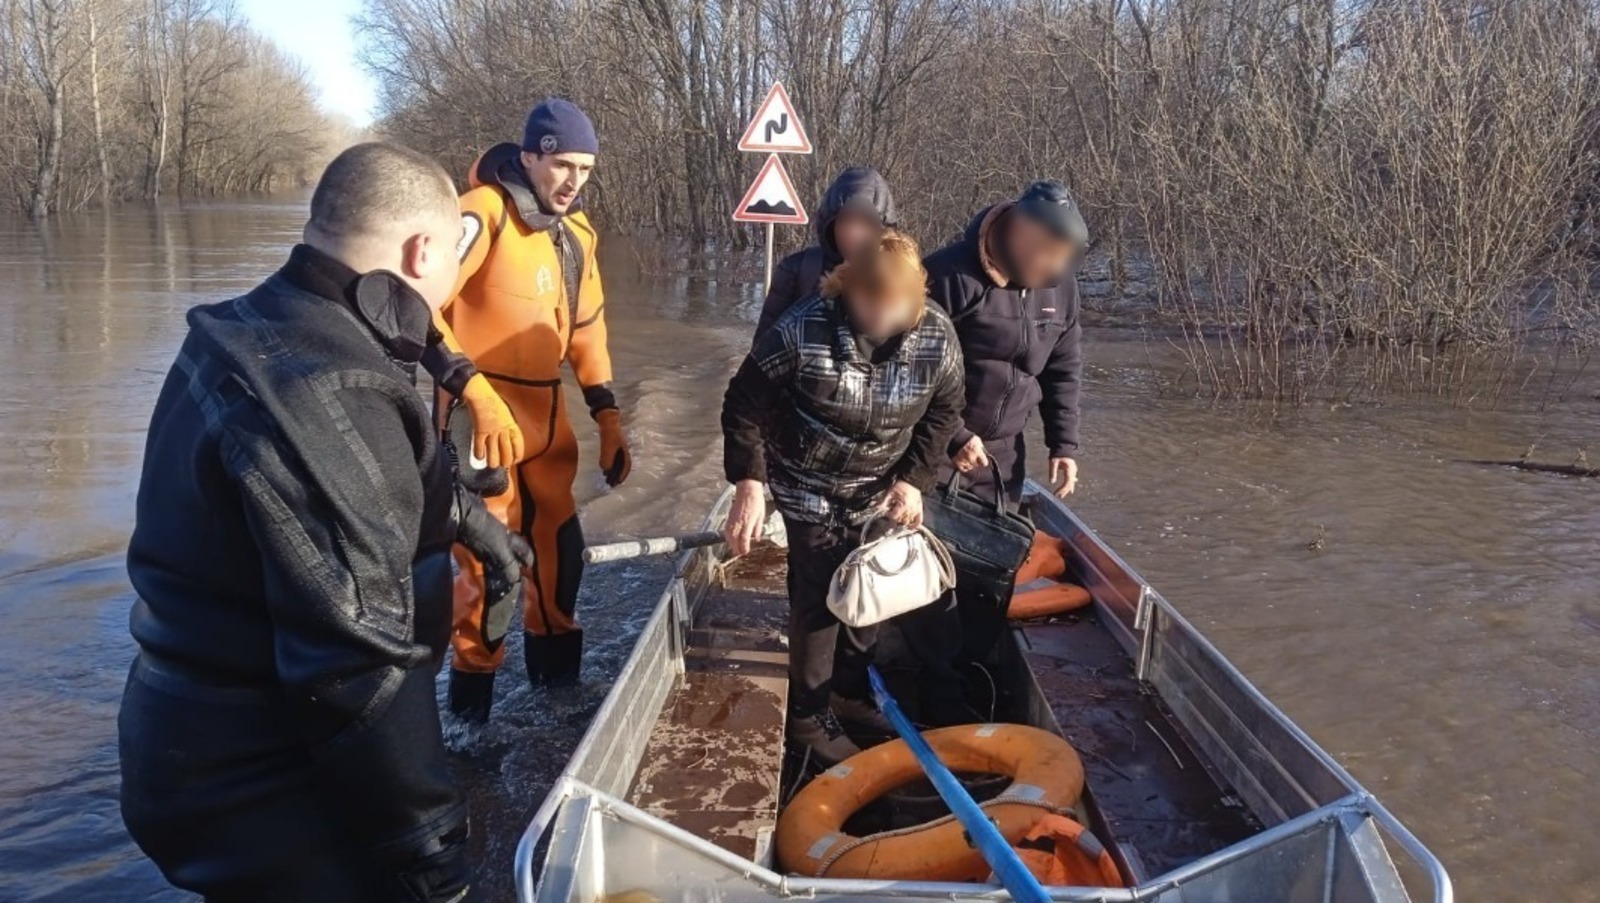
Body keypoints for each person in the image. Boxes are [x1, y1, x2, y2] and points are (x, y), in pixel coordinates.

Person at [118, 142, 535, 902]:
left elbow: (354, 485)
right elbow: (354, 665)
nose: (447, 295)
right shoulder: (332, 387)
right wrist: (434, 856)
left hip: (191, 744)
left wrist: (470, 522)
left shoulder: (264, 327)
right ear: (422, 249)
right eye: (452, 262)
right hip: (260, 781)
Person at [722, 230, 966, 764]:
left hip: (878, 487)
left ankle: (849, 694)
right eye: (869, 302)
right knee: (821, 596)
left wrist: (913, 481)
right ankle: (807, 719)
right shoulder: (802, 328)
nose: (881, 316)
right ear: (847, 286)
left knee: (869, 593)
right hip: (806, 482)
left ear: (914, 300)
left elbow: (945, 412)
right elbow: (743, 403)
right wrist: (749, 483)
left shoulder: (936, 337)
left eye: (895, 306)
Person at [430, 98, 632, 719]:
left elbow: (587, 332)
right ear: (529, 157)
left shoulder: (578, 236)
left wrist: (607, 415)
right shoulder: (482, 213)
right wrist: (473, 390)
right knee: (490, 566)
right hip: (479, 423)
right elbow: (418, 304)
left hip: (548, 424)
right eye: (562, 163)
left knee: (558, 555)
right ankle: (471, 722)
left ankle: (558, 704)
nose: (573, 181)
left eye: (586, 169)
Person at [906, 180, 1089, 725]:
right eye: (1046, 257)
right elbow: (913, 370)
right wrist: (955, 435)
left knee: (992, 570)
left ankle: (973, 676)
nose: (1053, 271)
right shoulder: (947, 276)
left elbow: (1064, 369)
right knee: (933, 577)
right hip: (938, 451)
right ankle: (928, 693)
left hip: (1004, 458)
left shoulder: (1061, 290)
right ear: (1019, 232)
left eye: (1062, 261)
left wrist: (1065, 444)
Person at [754, 166, 897, 336]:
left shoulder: (900, 277)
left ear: (883, 229)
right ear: (830, 225)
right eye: (845, 221)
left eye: (865, 223)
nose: (853, 233)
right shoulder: (797, 271)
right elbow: (762, 351)